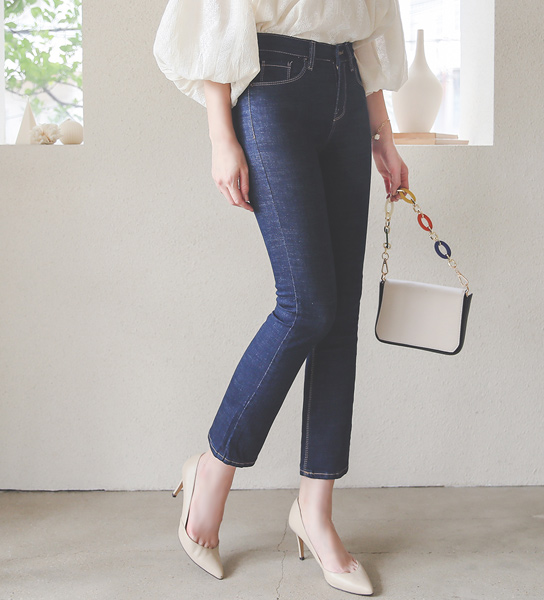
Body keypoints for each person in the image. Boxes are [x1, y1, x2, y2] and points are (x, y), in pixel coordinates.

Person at [153, 0, 409, 594]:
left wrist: (383, 132)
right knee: (306, 305)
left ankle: (315, 512)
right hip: (271, 85)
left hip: (349, 91)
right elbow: (217, 17)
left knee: (339, 316)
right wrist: (221, 135)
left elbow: (369, 24)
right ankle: (213, 469)